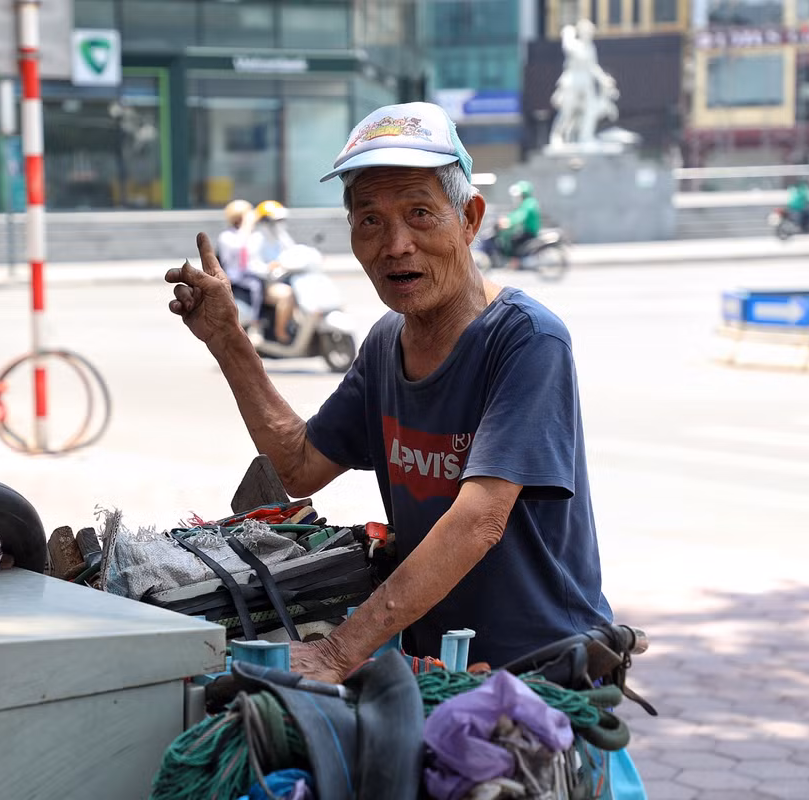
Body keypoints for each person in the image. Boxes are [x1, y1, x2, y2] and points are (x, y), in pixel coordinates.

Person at [165, 101, 612, 681]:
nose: (396, 244)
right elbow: (299, 467)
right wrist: (228, 340)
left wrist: (337, 651)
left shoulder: (527, 340)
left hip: (541, 668)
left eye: (421, 213)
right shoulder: (385, 343)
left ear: (470, 219)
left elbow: (479, 519)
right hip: (439, 666)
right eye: (370, 220)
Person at [247, 200, 299, 344]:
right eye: (276, 221)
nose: (280, 224)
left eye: (281, 220)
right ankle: (281, 332)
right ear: (265, 222)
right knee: (288, 295)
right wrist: (268, 268)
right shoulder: (256, 240)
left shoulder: (281, 236)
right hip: (267, 285)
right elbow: (252, 265)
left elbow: (294, 251)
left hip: (286, 278)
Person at [215, 199, 260, 312]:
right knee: (256, 286)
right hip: (236, 278)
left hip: (254, 273)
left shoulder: (254, 235)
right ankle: (255, 319)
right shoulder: (227, 236)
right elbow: (238, 249)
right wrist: (246, 227)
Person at [495, 180, 542, 262]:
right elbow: (515, 214)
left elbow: (520, 216)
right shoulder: (526, 203)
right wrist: (506, 219)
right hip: (526, 230)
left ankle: (515, 262)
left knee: (513, 240)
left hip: (530, 232)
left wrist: (509, 222)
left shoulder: (529, 203)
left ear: (523, 194)